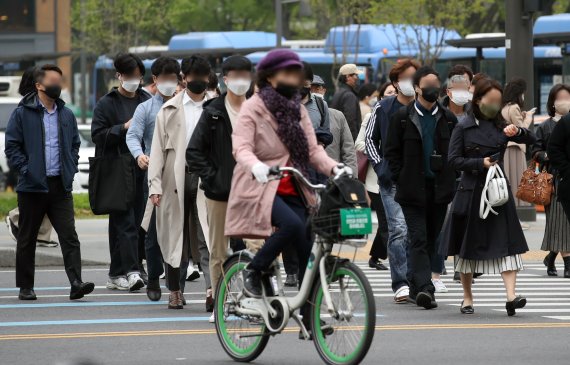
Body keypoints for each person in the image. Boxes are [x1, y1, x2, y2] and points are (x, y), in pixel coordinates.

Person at [224, 49, 344, 332]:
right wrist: (256, 166)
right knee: (291, 225)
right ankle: (254, 271)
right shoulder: (253, 106)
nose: (292, 78)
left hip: (297, 186)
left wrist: (335, 168)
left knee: (307, 249)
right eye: (286, 73)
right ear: (269, 76)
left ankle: (308, 315)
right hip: (260, 185)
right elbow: (241, 147)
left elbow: (313, 151)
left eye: (295, 73)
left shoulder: (298, 109)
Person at [441, 78, 535, 316]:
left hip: (498, 192)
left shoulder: (501, 125)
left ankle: (511, 296)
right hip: (472, 191)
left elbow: (531, 140)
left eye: (497, 101)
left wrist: (519, 130)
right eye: (490, 100)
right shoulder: (463, 126)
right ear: (478, 99)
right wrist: (478, 163)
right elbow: (452, 161)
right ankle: (467, 297)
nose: (494, 105)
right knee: (466, 248)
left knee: (508, 244)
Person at [5, 64, 95, 301]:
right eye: (54, 81)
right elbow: (12, 146)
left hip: (60, 185)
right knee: (27, 238)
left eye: (60, 81)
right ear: (39, 85)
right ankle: (26, 286)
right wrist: (27, 170)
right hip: (32, 186)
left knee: (69, 236)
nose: (59, 85)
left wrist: (71, 166)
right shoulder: (22, 112)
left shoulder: (65, 113)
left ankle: (76, 282)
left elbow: (75, 144)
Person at [384, 66, 458, 309]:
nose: (432, 89)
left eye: (435, 84)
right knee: (418, 237)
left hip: (439, 189)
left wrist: (451, 176)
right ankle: (426, 288)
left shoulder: (448, 118)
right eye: (427, 84)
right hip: (412, 189)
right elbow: (391, 153)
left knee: (431, 238)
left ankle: (416, 287)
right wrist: (400, 177)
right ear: (416, 87)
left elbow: (457, 152)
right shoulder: (402, 118)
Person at [186, 55, 253, 322]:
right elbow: (194, 152)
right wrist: (214, 177)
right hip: (219, 192)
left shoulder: (258, 110)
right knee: (218, 251)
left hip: (252, 191)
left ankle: (253, 298)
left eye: (245, 75)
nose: (240, 81)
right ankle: (220, 301)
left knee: (258, 246)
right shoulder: (213, 111)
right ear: (225, 79)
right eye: (234, 76)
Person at [148, 55, 212, 310]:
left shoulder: (216, 108)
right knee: (175, 239)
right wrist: (154, 186)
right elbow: (156, 151)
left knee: (207, 237)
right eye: (193, 76)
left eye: (203, 76)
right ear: (184, 78)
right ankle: (175, 291)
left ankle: (213, 290)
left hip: (206, 179)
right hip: (173, 179)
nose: (198, 81)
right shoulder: (169, 109)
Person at [91, 53, 150, 292]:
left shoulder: (146, 100)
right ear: (119, 76)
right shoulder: (107, 103)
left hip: (142, 168)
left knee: (137, 222)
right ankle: (133, 270)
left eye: (138, 76)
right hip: (116, 170)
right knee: (124, 222)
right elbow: (97, 135)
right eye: (129, 76)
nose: (134, 80)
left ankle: (118, 272)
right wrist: (123, 128)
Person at [365, 58, 420, 302]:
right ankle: (400, 283)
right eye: (406, 78)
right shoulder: (383, 107)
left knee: (417, 231)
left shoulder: (425, 107)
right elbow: (369, 140)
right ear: (396, 83)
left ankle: (418, 278)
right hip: (391, 180)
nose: (411, 83)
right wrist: (381, 167)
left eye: (414, 77)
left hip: (419, 178)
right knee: (398, 229)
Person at [126, 56, 181, 301]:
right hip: (155, 175)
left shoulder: (186, 105)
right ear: (155, 80)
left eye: (173, 78)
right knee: (153, 231)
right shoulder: (146, 108)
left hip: (182, 175)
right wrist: (139, 156)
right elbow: (133, 136)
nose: (169, 83)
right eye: (164, 78)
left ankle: (176, 285)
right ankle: (154, 277)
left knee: (181, 232)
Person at [5, 66, 58, 248]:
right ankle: (15, 218)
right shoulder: (25, 109)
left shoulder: (53, 105)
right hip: (32, 165)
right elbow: (13, 145)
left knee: (50, 198)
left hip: (50, 166)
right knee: (37, 198)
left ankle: (41, 235)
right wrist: (26, 167)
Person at [532, 84, 570, 277]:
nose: (564, 101)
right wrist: (546, 155)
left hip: (565, 176)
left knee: (561, 221)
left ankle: (551, 257)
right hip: (552, 178)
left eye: (567, 97)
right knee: (557, 219)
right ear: (552, 102)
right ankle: (567, 263)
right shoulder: (546, 125)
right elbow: (535, 150)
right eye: (560, 98)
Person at [501, 78, 535, 216]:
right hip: (515, 148)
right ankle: (515, 215)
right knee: (517, 182)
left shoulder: (504, 106)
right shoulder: (514, 107)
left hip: (506, 148)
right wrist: (528, 118)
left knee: (509, 179)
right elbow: (521, 131)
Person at [331, 63, 363, 140]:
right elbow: (350, 121)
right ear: (348, 76)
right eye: (355, 75)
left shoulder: (338, 92)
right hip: (347, 141)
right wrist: (354, 141)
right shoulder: (349, 95)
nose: (357, 78)